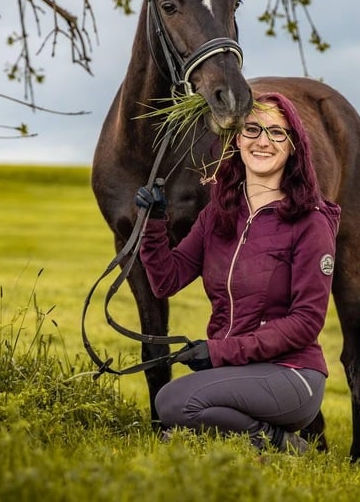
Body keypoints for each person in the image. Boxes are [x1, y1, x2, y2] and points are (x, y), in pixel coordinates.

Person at [134, 92, 340, 454]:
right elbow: (166, 280)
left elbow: (306, 321)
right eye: (253, 129)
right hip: (238, 372)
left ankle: (282, 444)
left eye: (278, 133)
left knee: (172, 402)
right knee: (179, 405)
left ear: (294, 147)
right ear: (238, 140)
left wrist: (219, 352)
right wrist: (153, 222)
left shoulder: (311, 222)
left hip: (291, 374)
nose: (263, 141)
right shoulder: (219, 214)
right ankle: (227, 438)